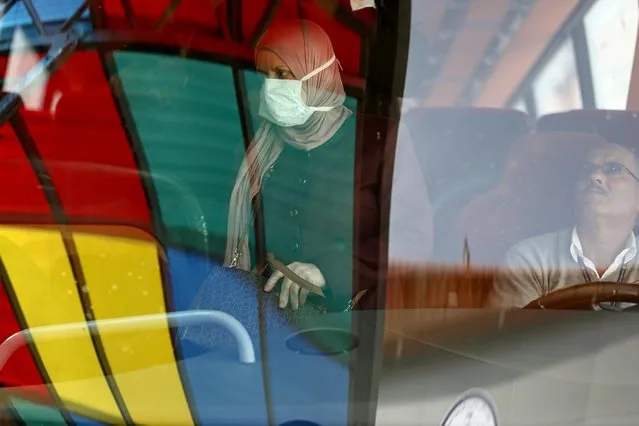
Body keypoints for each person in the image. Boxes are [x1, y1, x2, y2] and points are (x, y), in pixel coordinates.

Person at [225, 19, 433, 310]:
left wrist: (330, 271)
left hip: (352, 326)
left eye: (283, 74)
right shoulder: (255, 149)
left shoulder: (379, 142)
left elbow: (412, 239)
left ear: (317, 74)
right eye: (264, 76)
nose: (271, 87)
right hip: (267, 317)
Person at [487, 137, 639, 308]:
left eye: (613, 169)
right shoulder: (530, 259)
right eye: (587, 169)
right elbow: (511, 333)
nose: (595, 176)